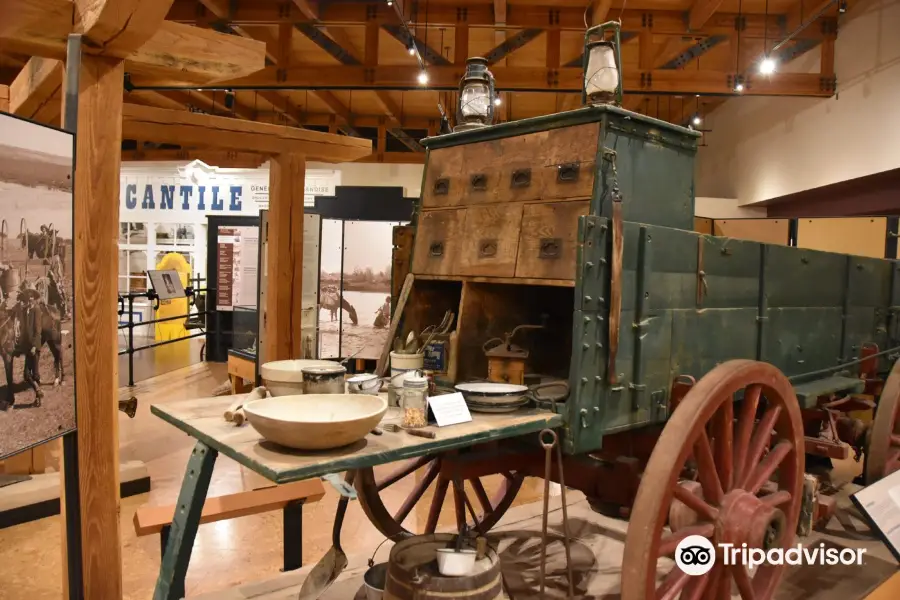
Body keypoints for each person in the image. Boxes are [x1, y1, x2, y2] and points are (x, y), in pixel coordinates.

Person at [20, 287, 42, 389]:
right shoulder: (25, 311)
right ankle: (38, 391)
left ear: (34, 298)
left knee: (35, 374)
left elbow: (38, 330)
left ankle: (38, 395)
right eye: (27, 298)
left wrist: (34, 346)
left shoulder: (36, 310)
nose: (29, 300)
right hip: (28, 347)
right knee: (26, 375)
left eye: (31, 297)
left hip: (34, 347)